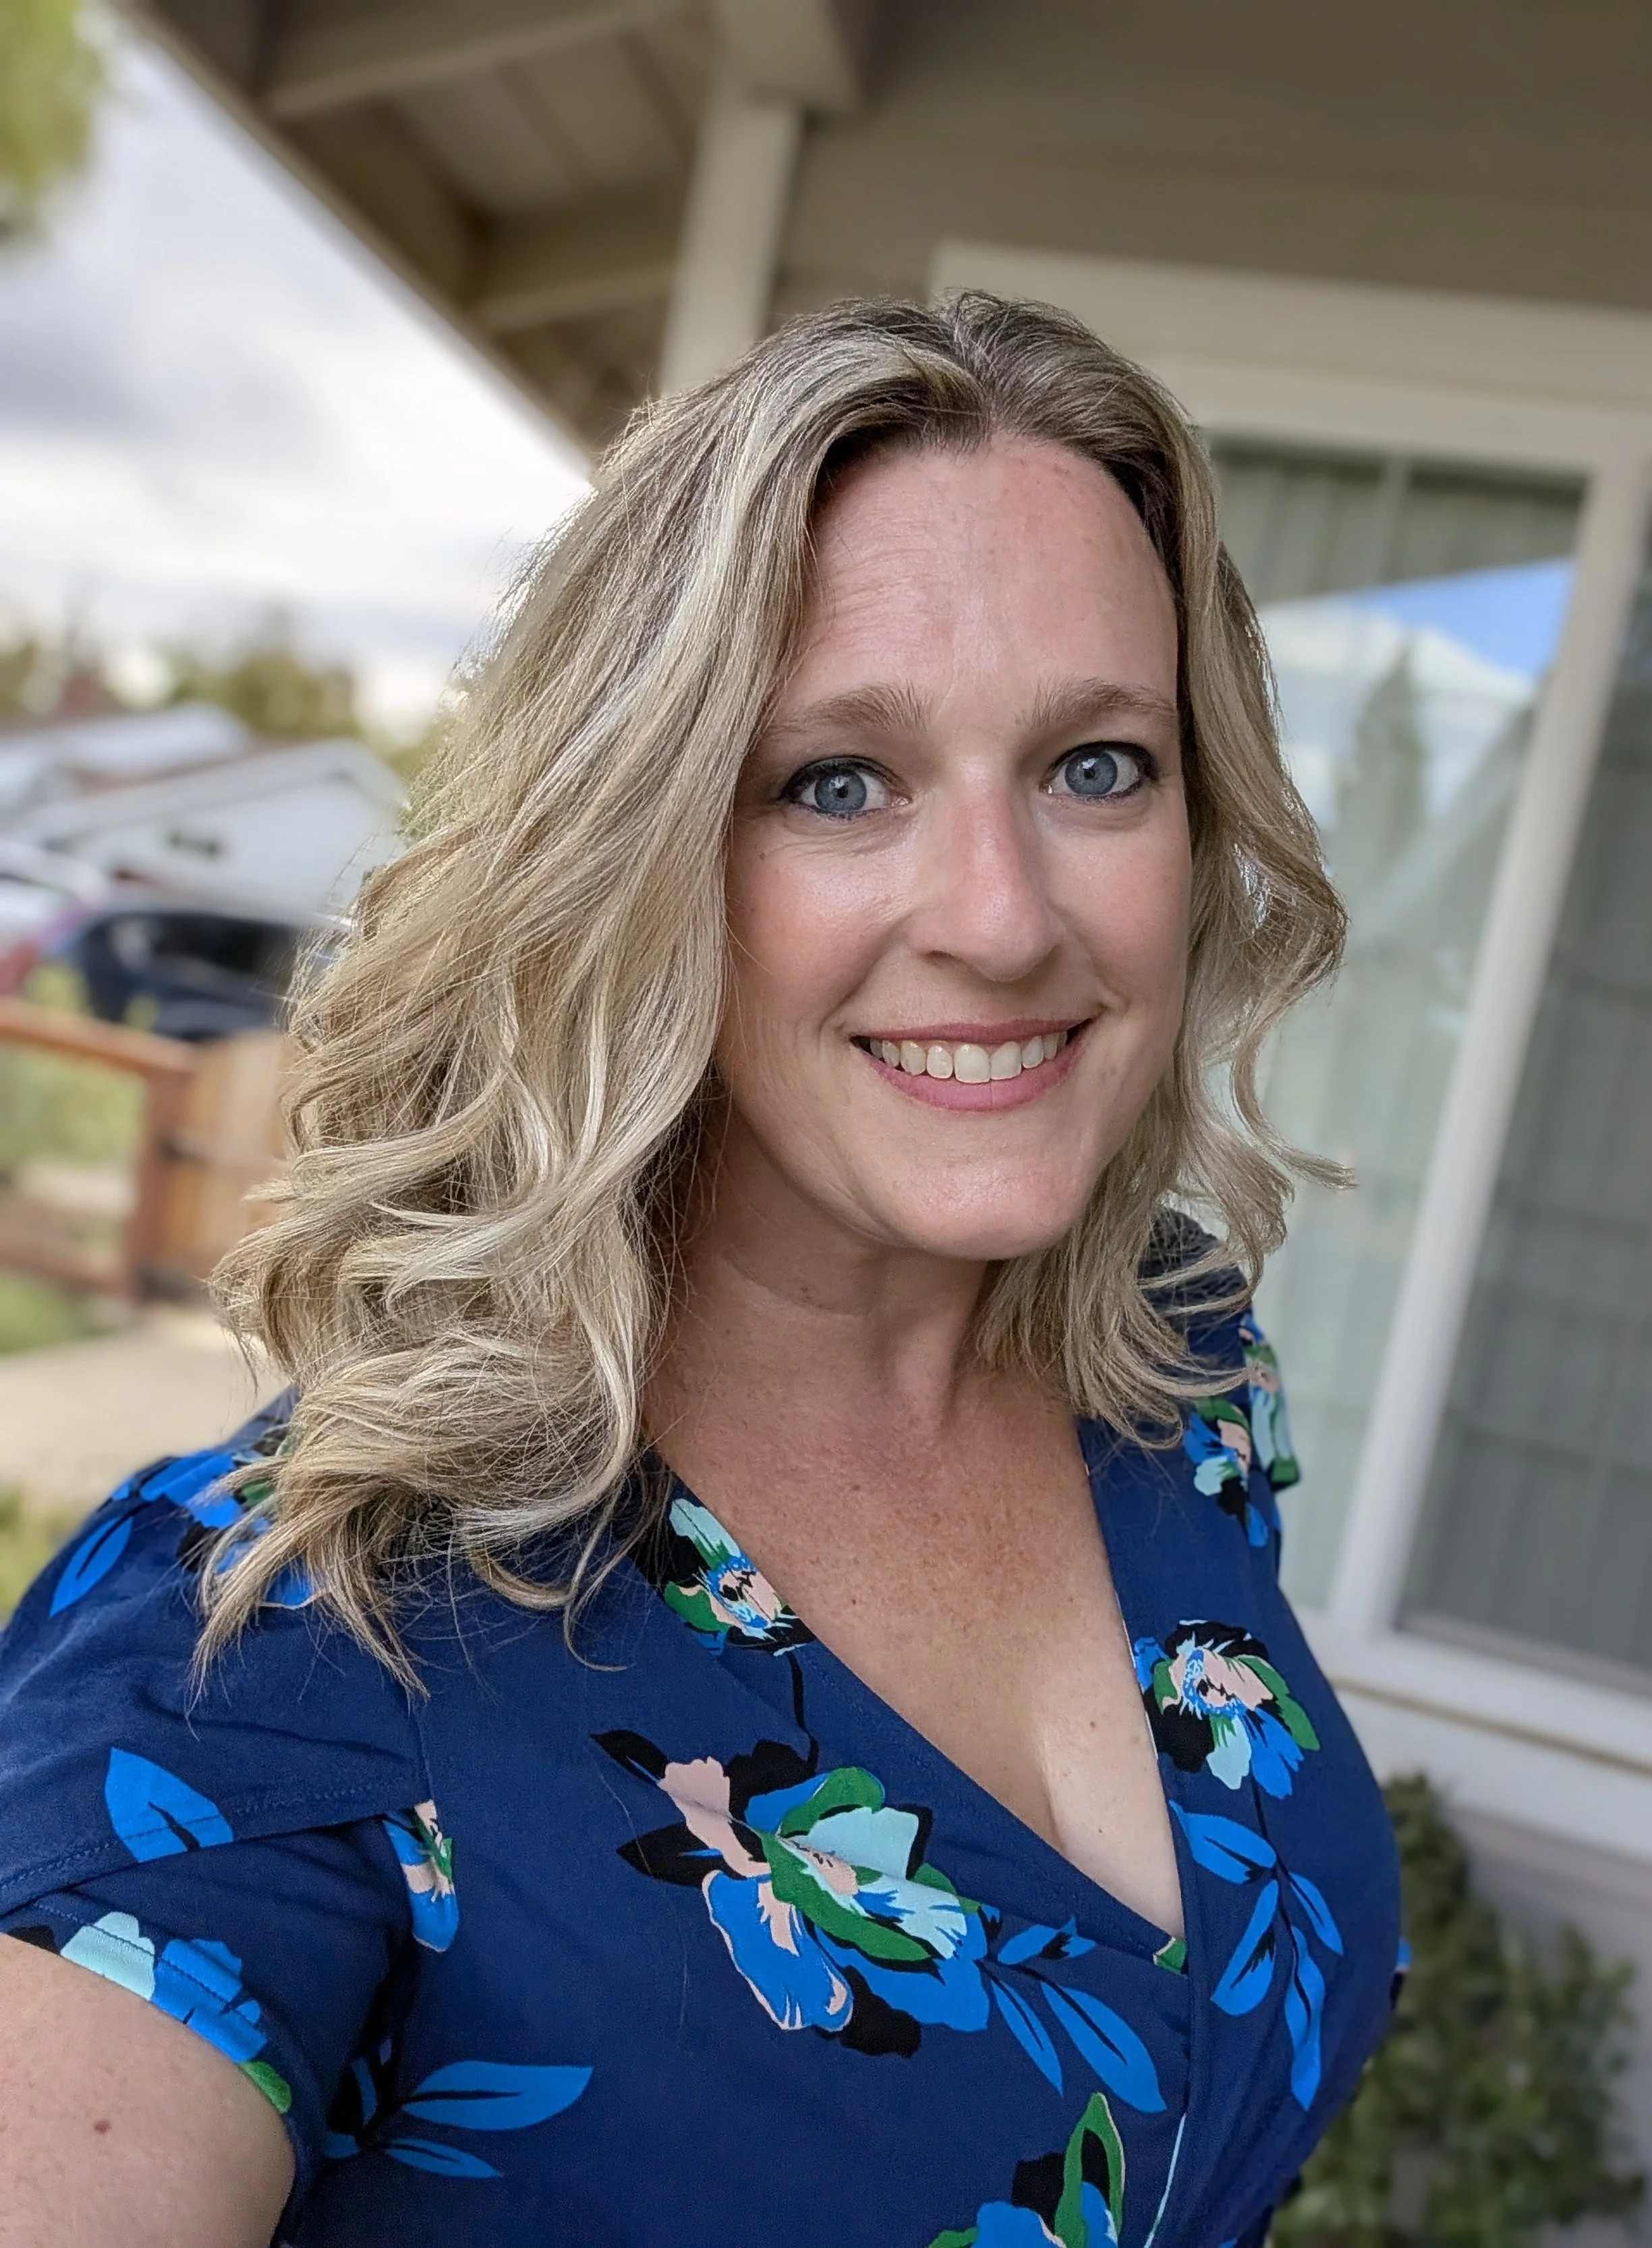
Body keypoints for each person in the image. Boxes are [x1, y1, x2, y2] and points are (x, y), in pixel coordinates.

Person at [0, 294, 1400, 2248]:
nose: (1001, 917)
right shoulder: (273, 1649)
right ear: (637, 848)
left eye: (1096, 764)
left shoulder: (1171, 1375)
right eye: (839, 780)